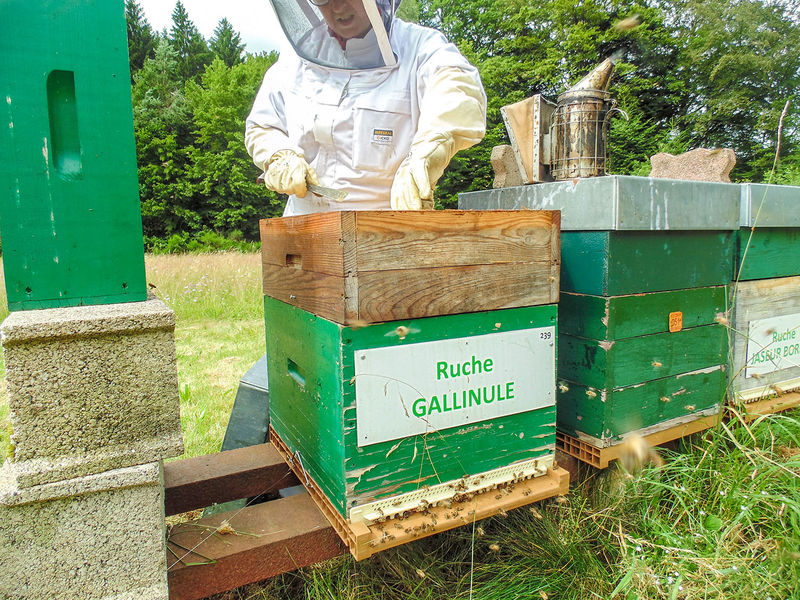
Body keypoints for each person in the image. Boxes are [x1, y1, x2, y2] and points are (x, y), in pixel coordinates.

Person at [245, 0, 486, 216]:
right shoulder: (295, 59)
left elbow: (458, 88)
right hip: (304, 227)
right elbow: (263, 125)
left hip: (387, 229)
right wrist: (279, 155)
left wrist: (429, 150)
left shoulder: (420, 47)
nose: (337, 7)